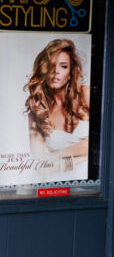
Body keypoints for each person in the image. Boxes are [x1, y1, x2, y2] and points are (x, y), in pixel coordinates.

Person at [24, 38, 90, 178]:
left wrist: (56, 156)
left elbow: (101, 143)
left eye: (63, 66)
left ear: (70, 73)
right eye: (51, 65)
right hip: (60, 181)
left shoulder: (85, 95)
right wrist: (82, 157)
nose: (56, 71)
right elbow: (40, 166)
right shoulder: (37, 112)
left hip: (92, 178)